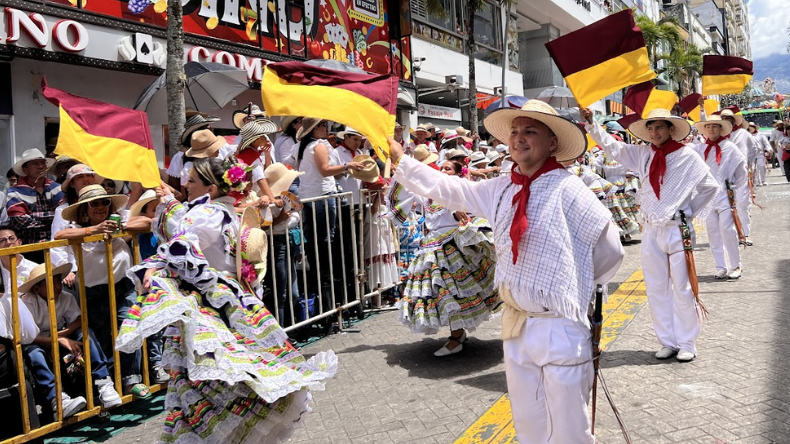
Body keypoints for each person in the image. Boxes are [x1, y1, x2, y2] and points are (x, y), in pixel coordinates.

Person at [391, 100, 624, 443]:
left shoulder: (569, 188)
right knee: (528, 421)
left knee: (570, 427)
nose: (519, 139)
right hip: (516, 323)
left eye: (530, 131)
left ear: (552, 142)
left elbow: (610, 250)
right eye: (514, 132)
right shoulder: (500, 188)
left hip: (560, 324)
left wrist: (574, 285)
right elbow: (450, 189)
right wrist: (400, 159)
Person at [115, 157, 337, 443]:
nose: (185, 184)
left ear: (210, 186)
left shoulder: (208, 213)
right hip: (233, 301)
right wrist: (169, 202)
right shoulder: (227, 211)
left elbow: (185, 245)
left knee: (207, 380)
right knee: (226, 376)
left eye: (192, 181)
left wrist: (156, 265)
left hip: (211, 306)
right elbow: (186, 228)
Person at [583, 106, 718, 362]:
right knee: (656, 287)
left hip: (677, 230)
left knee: (683, 287)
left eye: (660, 127)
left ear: (671, 129)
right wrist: (592, 126)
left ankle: (687, 342)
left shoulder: (687, 156)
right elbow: (614, 149)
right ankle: (667, 341)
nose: (655, 132)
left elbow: (709, 186)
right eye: (651, 128)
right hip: (651, 229)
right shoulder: (643, 154)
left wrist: (688, 212)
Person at [389, 158, 499, 356]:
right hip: (431, 249)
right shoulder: (429, 195)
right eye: (440, 168)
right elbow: (410, 187)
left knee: (453, 292)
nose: (442, 171)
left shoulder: (458, 192)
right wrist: (400, 172)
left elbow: (470, 209)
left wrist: (460, 210)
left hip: (452, 248)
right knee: (441, 294)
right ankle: (457, 334)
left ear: (457, 174)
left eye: (447, 169)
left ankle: (456, 337)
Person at [54, 185, 148, 398]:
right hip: (93, 293)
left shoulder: (119, 221)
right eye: (94, 203)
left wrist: (122, 227)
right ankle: (109, 388)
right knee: (104, 338)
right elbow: (60, 235)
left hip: (123, 287)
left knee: (130, 328)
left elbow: (147, 221)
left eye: (104, 202)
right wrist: (93, 231)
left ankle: (130, 380)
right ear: (84, 209)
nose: (100, 207)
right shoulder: (77, 229)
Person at [20, 263, 123, 418]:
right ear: (36, 289)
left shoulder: (66, 297)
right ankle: (57, 398)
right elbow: (28, 337)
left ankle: (103, 383)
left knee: (85, 333)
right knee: (34, 353)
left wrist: (61, 336)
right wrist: (57, 339)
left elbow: (78, 320)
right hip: (37, 341)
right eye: (51, 282)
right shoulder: (27, 303)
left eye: (58, 280)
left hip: (60, 335)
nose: (57, 285)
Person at [294, 118, 364, 298]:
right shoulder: (318, 145)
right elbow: (325, 170)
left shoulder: (302, 146)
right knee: (326, 242)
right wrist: (349, 165)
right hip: (322, 196)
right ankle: (328, 287)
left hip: (309, 195)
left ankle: (324, 285)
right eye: (324, 125)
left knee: (316, 242)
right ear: (316, 128)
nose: (326, 128)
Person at [691, 116, 747, 280]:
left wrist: (733, 189)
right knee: (713, 231)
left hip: (724, 195)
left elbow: (741, 173)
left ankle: (736, 265)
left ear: (721, 128)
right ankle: (720, 266)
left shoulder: (730, 148)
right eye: (708, 126)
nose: (711, 130)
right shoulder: (699, 149)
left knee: (727, 230)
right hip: (707, 196)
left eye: (714, 126)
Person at [262, 163, 304, 326]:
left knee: (292, 292)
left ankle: (287, 327)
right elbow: (261, 226)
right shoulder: (266, 202)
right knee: (280, 292)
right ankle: (281, 331)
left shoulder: (286, 196)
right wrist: (280, 219)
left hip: (288, 243)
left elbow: (295, 220)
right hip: (276, 244)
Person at [6, 149, 63, 264]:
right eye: (35, 164)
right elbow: (20, 221)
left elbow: (65, 215)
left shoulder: (57, 188)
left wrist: (33, 216)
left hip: (58, 247)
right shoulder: (14, 192)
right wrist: (54, 220)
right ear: (25, 170)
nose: (41, 166)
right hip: (29, 249)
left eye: (43, 163)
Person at [50, 164, 101, 287]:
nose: (86, 179)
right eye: (80, 177)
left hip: (102, 265)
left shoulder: (105, 205)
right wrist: (66, 269)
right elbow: (56, 244)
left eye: (89, 175)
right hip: (76, 270)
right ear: (72, 184)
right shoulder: (63, 210)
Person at [716, 109, 755, 245]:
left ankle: (745, 233)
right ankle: (731, 234)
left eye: (728, 118)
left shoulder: (743, 133)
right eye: (723, 118)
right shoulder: (719, 137)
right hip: (724, 176)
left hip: (740, 174)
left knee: (742, 204)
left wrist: (746, 163)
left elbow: (754, 148)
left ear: (733, 120)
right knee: (726, 206)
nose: (726, 120)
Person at [0, 226, 38, 297]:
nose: (8, 242)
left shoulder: (34, 268)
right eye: (2, 240)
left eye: (11, 239)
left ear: (19, 242)